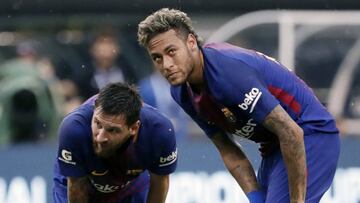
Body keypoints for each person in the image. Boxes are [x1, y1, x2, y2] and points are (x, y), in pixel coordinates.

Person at [137, 8, 340, 203]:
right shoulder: (181, 92)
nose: (166, 64)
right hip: (274, 146)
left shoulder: (227, 73)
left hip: (310, 134)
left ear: (191, 42)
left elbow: (291, 132)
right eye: (157, 58)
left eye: (171, 51)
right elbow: (229, 151)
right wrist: (255, 198)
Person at [53, 83, 177, 203]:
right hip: (79, 182)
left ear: (133, 128)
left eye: (112, 130)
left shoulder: (159, 132)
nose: (100, 138)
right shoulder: (74, 129)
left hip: (130, 185)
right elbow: (76, 188)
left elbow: (160, 182)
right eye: (97, 124)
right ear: (95, 108)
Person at [75, 29, 138, 100]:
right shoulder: (84, 76)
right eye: (101, 42)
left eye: (110, 43)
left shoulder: (128, 73)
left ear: (118, 48)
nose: (106, 48)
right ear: (92, 49)